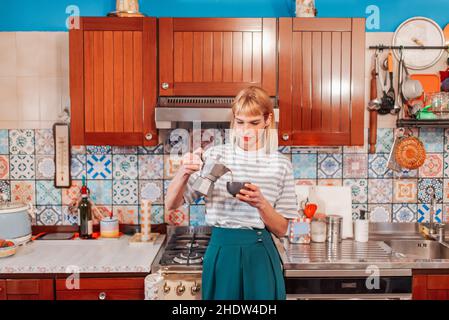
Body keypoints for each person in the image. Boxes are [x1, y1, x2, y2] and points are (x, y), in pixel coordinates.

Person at [165, 86, 299, 300]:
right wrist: (184, 171)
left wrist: (261, 204)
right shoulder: (215, 156)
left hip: (260, 253)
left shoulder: (280, 165)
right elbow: (172, 204)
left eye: (254, 122)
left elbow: (282, 229)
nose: (246, 130)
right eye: (240, 122)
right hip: (221, 250)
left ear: (267, 120)